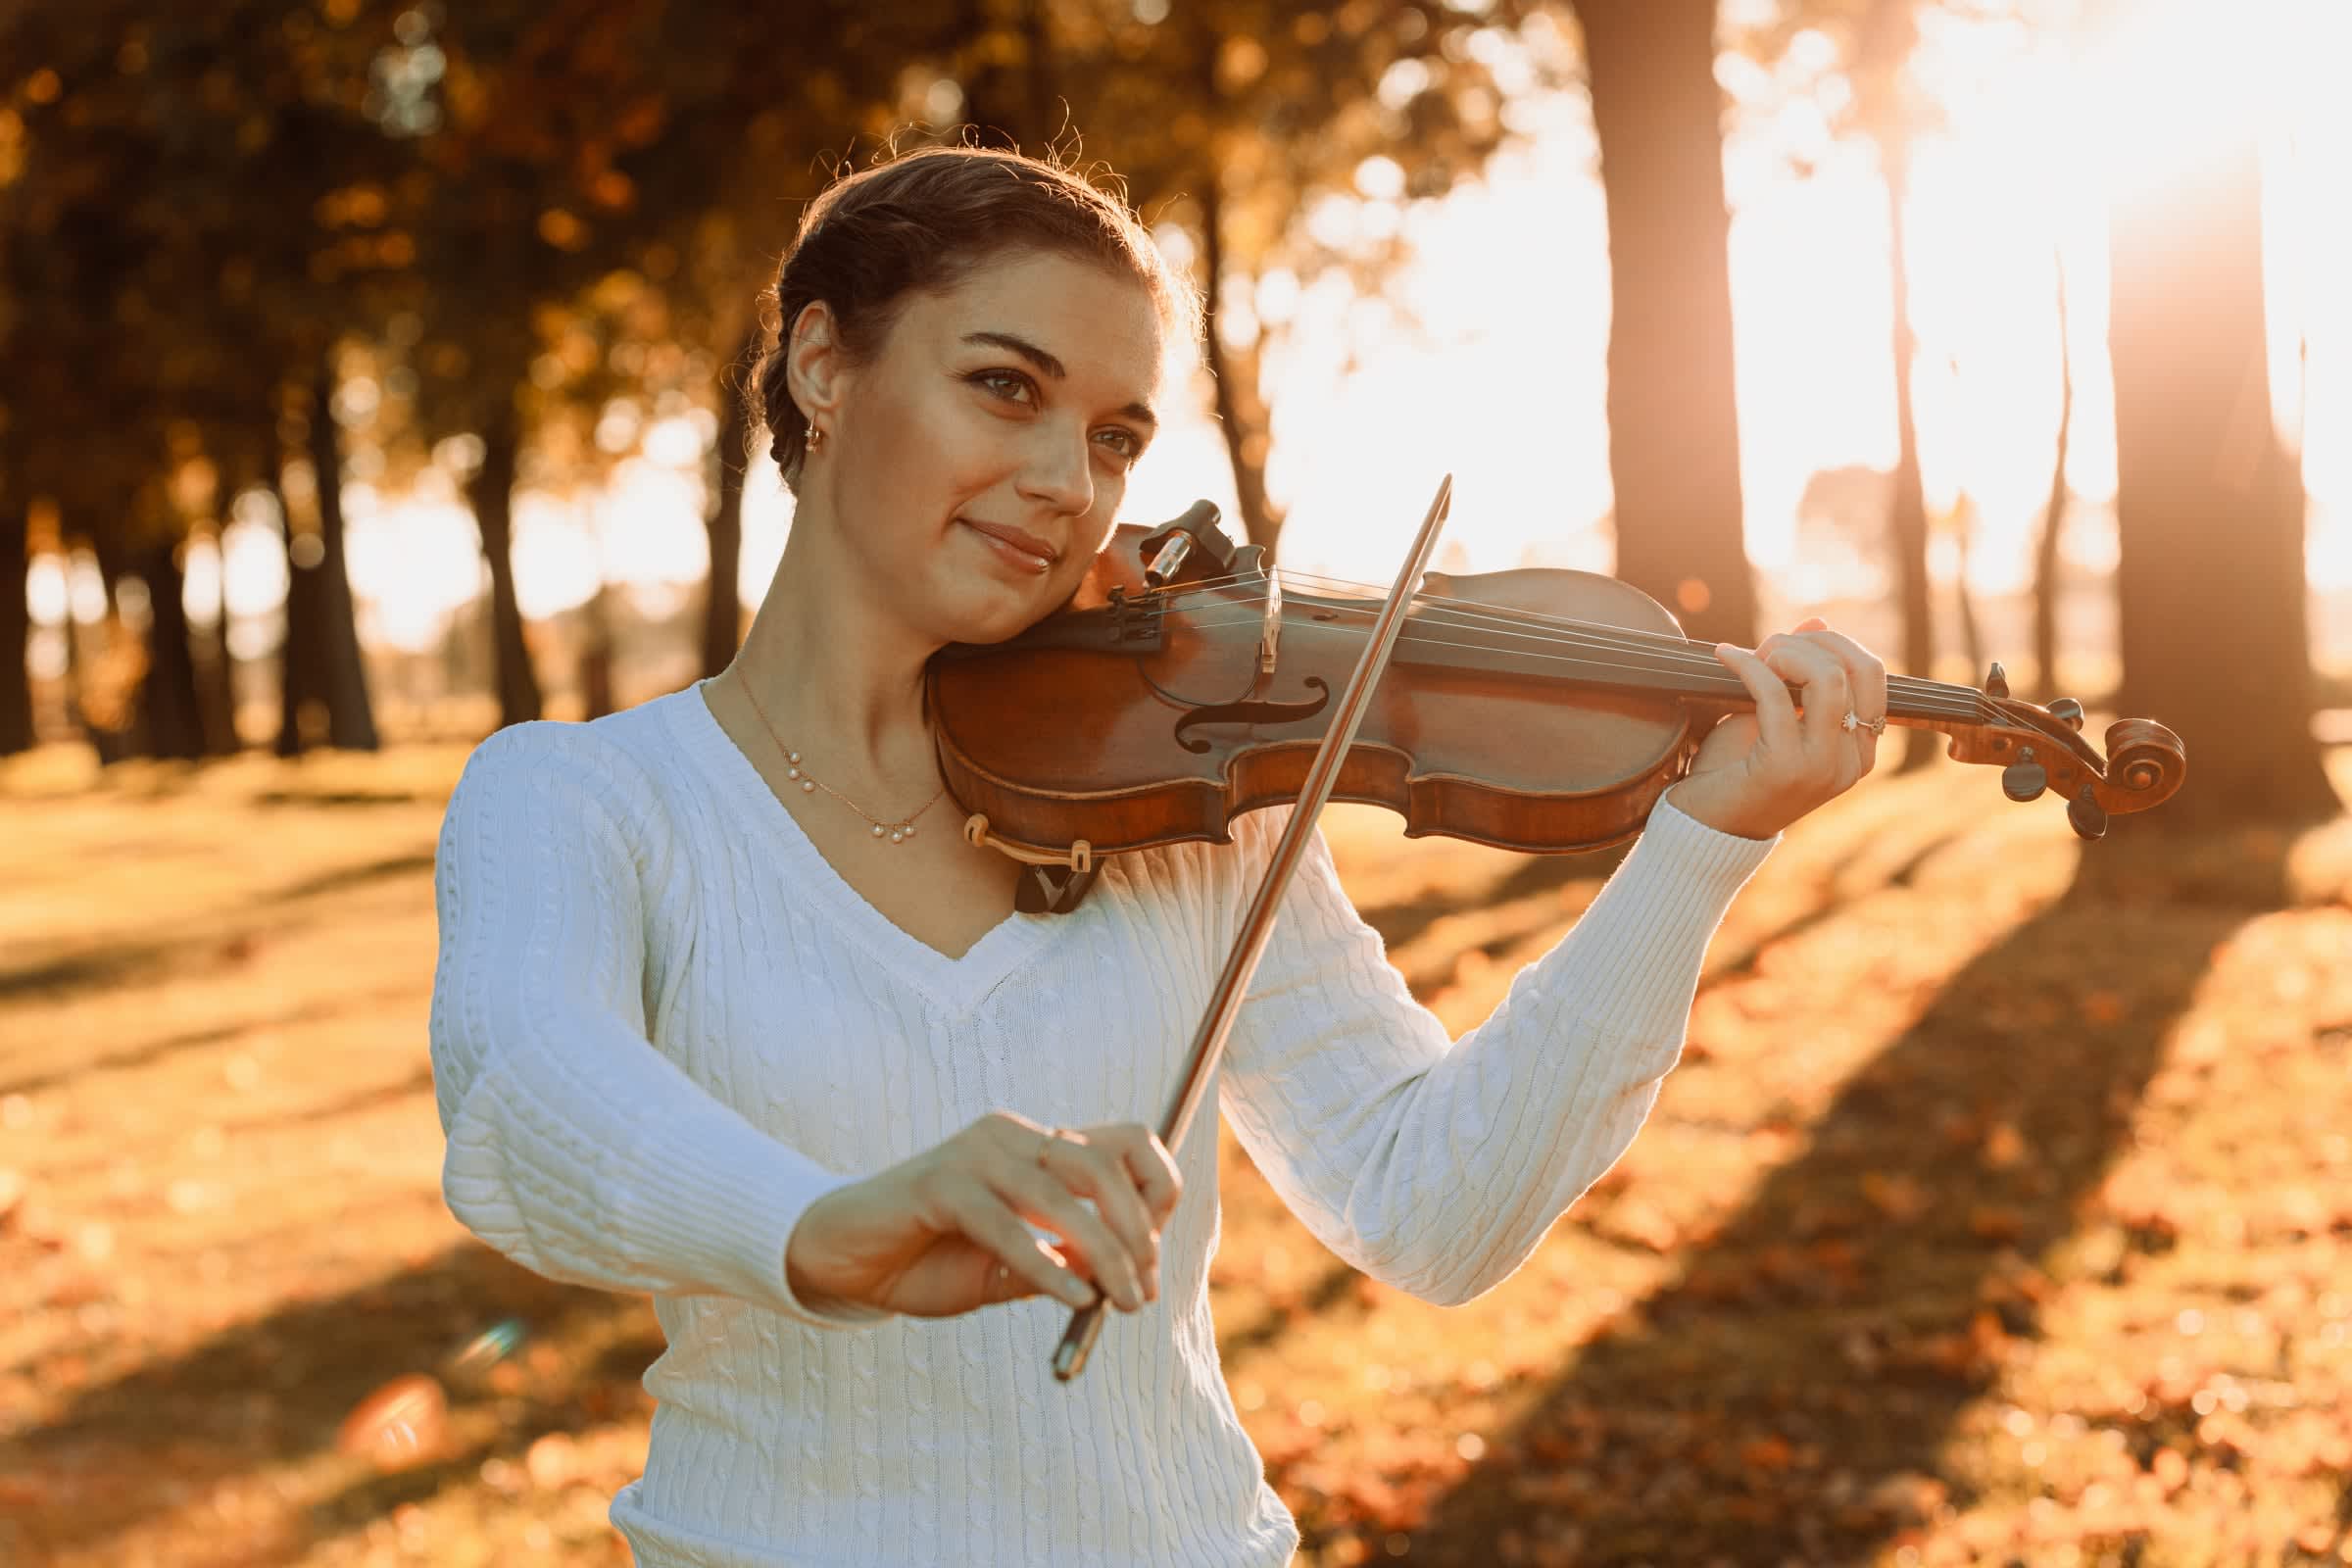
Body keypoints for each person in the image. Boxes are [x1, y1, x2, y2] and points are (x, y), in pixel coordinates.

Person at [427, 143, 1886, 1567]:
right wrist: (829, 1225)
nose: (1070, 481)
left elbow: (1432, 1207)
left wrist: (1703, 842)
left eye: (1116, 437)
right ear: (823, 365)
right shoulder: (583, 798)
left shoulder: (1192, 796)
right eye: (1006, 389)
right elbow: (526, 1096)